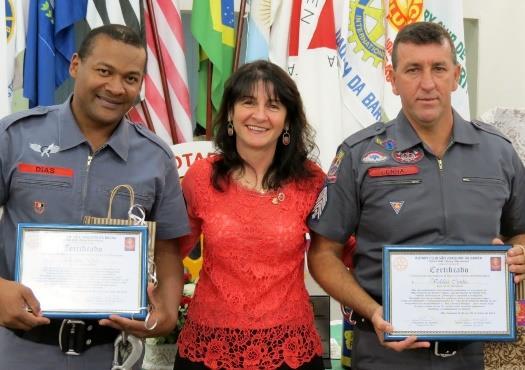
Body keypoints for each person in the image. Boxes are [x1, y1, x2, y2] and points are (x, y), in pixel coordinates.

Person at [307, 21, 525, 370]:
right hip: (384, 352)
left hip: (472, 355)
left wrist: (519, 253)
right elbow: (322, 255)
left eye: (438, 69)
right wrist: (374, 312)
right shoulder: (360, 155)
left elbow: (519, 229)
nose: (427, 84)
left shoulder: (499, 152)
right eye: (412, 70)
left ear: (456, 76)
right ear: (392, 79)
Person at [0, 24, 189, 369]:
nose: (116, 88)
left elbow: (168, 246)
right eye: (104, 71)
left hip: (113, 354)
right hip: (18, 349)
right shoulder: (15, 137)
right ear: (75, 65)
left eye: (131, 78)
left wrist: (167, 307)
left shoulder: (155, 158)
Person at [174, 60, 325, 370]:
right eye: (247, 102)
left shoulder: (311, 180)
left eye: (273, 105)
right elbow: (169, 250)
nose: (259, 115)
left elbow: (341, 252)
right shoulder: (201, 177)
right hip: (208, 351)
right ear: (230, 113)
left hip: (290, 353)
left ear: (287, 120)